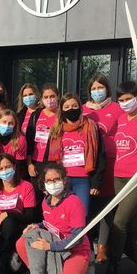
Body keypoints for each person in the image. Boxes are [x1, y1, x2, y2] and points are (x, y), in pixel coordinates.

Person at [15, 163, 91, 274]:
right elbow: (52, 223)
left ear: (64, 180)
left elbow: (77, 239)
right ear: (43, 183)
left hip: (75, 250)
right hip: (56, 247)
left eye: (56, 179)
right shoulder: (46, 201)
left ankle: (67, 272)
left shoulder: (74, 203)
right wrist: (38, 225)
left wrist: (49, 246)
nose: (52, 183)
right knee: (22, 242)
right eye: (48, 181)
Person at [106, 81, 137, 274]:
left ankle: (113, 262)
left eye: (128, 99)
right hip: (119, 176)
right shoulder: (121, 119)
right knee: (133, 223)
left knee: (119, 221)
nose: (125, 103)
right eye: (121, 100)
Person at [82, 74, 124, 263]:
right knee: (88, 207)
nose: (97, 91)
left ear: (107, 89)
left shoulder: (116, 108)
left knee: (106, 207)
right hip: (87, 165)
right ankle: (86, 246)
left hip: (111, 164)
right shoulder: (82, 110)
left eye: (101, 88)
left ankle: (102, 247)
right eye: (94, 88)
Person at [45, 92, 105, 222]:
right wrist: (47, 182)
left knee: (82, 215)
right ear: (61, 110)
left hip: (82, 180)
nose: (71, 109)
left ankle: (81, 242)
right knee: (61, 215)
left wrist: (96, 183)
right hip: (61, 180)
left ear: (80, 107)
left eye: (74, 105)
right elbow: (48, 159)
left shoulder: (91, 127)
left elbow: (100, 155)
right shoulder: (56, 129)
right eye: (66, 107)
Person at [0, 153, 36, 274]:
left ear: (14, 166)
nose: (5, 171)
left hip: (19, 228)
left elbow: (30, 216)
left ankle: (7, 258)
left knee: (9, 221)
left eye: (8, 167)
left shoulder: (26, 186)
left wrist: (6, 213)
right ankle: (3, 260)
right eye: (1, 169)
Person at [25, 83, 60, 217]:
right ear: (42, 98)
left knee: (53, 198)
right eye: (46, 97)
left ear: (58, 97)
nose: (49, 99)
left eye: (52, 96)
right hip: (36, 163)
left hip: (53, 164)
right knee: (37, 200)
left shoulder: (61, 116)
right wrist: (29, 163)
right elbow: (29, 139)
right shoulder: (36, 115)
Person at [0, 109, 27, 175]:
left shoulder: (20, 139)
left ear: (15, 125)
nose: (7, 126)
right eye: (4, 122)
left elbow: (19, 166)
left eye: (10, 123)